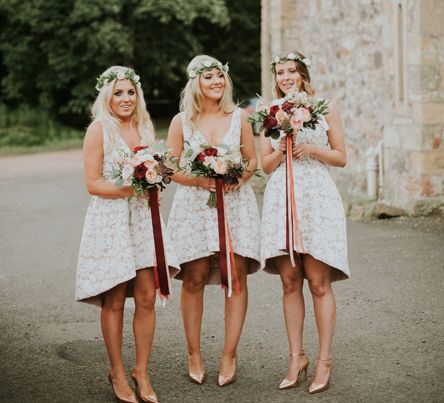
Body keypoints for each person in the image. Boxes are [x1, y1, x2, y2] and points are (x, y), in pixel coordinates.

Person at [75, 66, 179, 403]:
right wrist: (129, 188)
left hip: (143, 220)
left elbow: (153, 173)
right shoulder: (99, 130)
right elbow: (93, 183)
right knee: (115, 298)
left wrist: (152, 186)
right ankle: (117, 371)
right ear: (107, 96)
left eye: (131, 92)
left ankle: (141, 371)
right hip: (111, 221)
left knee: (147, 296)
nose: (126, 99)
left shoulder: (144, 128)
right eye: (118, 93)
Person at [166, 55, 260, 387]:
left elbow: (252, 160)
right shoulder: (182, 121)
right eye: (209, 77)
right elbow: (169, 167)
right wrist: (196, 180)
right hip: (194, 206)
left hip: (234, 205)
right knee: (194, 277)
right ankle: (194, 353)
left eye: (220, 76)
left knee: (235, 276)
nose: (217, 82)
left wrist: (239, 176)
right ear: (197, 83)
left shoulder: (240, 118)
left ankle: (229, 354)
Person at [260, 51, 350, 394]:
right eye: (280, 72)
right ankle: (296, 356)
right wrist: (282, 147)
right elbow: (265, 166)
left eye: (291, 71)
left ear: (302, 75)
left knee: (318, 282)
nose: (286, 77)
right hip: (282, 197)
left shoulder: (324, 108)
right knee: (289, 281)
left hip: (317, 197)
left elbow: (341, 157)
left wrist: (312, 150)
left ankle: (325, 359)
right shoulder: (271, 113)